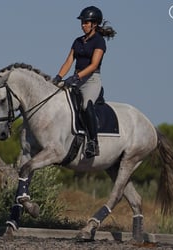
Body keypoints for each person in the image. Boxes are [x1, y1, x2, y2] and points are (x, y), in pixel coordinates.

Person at [52, 6, 116, 158]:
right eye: (82, 22)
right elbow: (68, 61)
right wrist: (58, 77)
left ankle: (93, 143)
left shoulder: (99, 41)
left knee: (86, 105)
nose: (83, 25)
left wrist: (75, 77)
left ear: (94, 24)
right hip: (76, 78)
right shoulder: (78, 41)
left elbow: (94, 65)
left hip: (91, 80)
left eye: (86, 22)